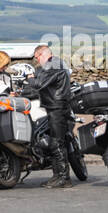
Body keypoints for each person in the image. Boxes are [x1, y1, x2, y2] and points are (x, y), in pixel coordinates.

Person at [25, 43, 75, 189]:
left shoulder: (52, 64)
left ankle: (64, 178)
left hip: (56, 108)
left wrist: (29, 77)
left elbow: (39, 83)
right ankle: (57, 176)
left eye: (37, 58)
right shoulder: (58, 63)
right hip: (59, 106)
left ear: (42, 54)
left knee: (56, 143)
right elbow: (48, 85)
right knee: (58, 141)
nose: (37, 61)